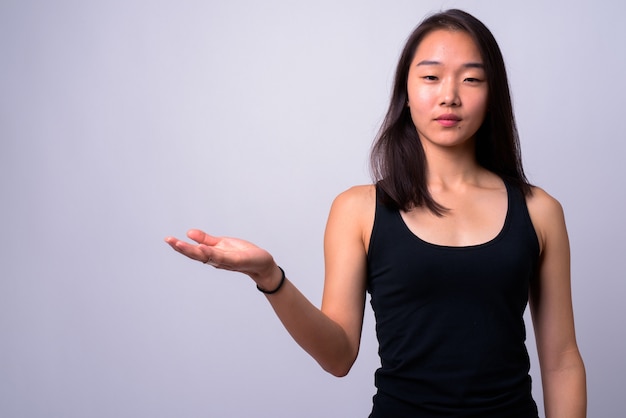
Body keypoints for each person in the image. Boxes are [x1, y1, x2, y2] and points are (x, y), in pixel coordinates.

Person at [165, 9, 586, 417]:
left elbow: (562, 360)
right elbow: (338, 356)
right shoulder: (358, 210)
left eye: (472, 79)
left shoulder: (540, 211)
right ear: (406, 92)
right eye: (431, 77)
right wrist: (270, 277)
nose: (449, 95)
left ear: (493, 95)